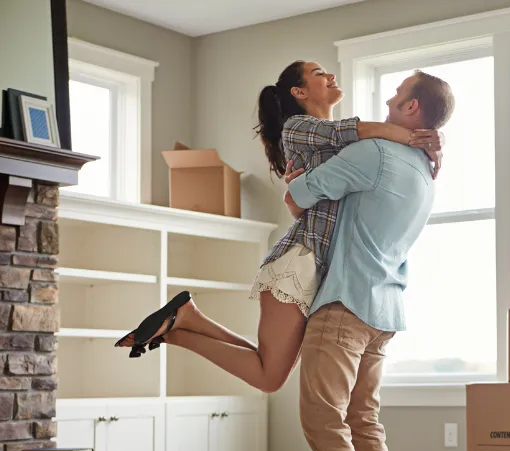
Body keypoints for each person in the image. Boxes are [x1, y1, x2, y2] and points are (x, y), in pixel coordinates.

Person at [113, 61, 442, 394]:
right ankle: (178, 330)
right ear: (298, 92)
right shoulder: (297, 127)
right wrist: (408, 135)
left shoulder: (350, 147)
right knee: (269, 376)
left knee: (268, 366)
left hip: (317, 269)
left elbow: (325, 198)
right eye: (318, 74)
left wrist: (433, 140)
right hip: (298, 263)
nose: (330, 76)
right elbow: (349, 133)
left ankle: (185, 319)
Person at [279, 70, 455, 451]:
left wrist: (298, 183)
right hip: (384, 311)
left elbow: (297, 199)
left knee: (323, 418)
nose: (389, 97)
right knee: (364, 424)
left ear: (414, 108)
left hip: (344, 305)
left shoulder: (373, 154)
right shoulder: (425, 168)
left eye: (399, 93)